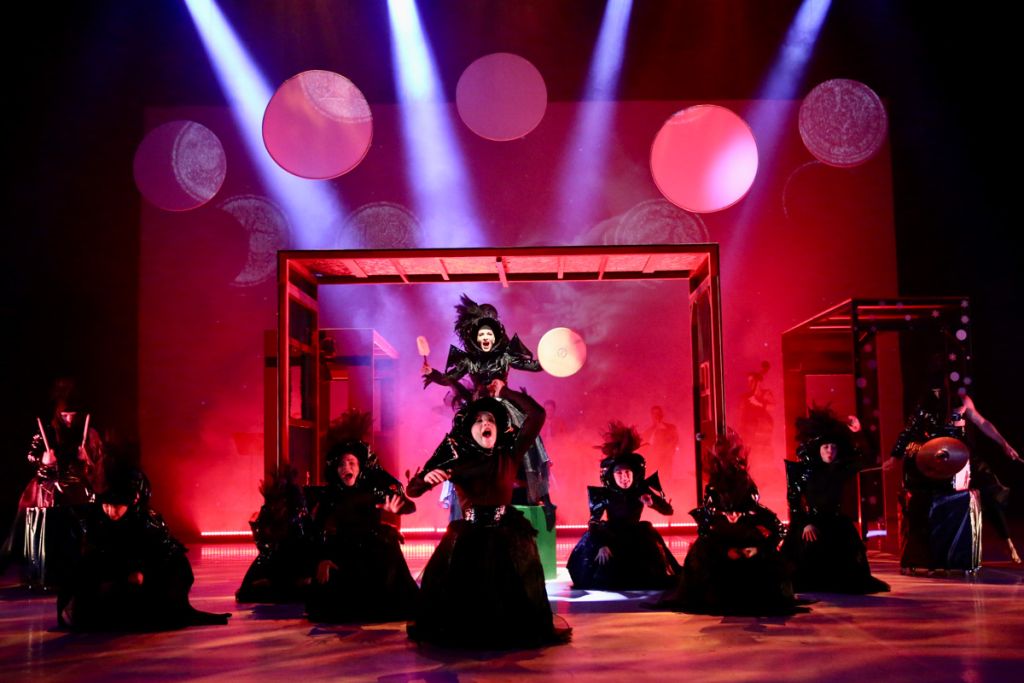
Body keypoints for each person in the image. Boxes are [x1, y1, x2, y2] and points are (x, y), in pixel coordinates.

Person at [406, 382, 570, 648]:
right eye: (479, 420)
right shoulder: (456, 459)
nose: (486, 423)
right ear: (470, 429)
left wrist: (504, 392)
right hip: (469, 537)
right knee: (470, 597)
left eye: (491, 419)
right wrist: (424, 479)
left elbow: (537, 415)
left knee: (508, 595)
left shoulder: (510, 454)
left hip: (506, 535)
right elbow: (413, 491)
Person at [422, 294, 557, 529]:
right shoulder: (468, 360)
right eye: (482, 334)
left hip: (504, 406)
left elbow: (534, 365)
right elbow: (449, 378)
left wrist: (553, 358)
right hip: (478, 408)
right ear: (475, 335)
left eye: (489, 333)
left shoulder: (505, 355)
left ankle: (542, 498)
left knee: (527, 444)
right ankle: (463, 498)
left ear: (496, 334)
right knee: (461, 447)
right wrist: (431, 373)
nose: (486, 338)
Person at [57, 447, 230, 631]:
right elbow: (90, 562)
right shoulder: (97, 521)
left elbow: (167, 565)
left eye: (116, 505)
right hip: (119, 579)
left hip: (155, 581)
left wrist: (140, 574)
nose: (109, 510)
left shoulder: (149, 524)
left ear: (134, 500)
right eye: (106, 504)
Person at [658, 431, 799, 616]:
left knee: (769, 565)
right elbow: (704, 534)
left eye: (738, 513)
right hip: (720, 548)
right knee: (700, 557)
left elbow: (779, 530)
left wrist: (759, 550)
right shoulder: (711, 508)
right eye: (727, 513)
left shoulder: (754, 508)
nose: (732, 517)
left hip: (750, 548)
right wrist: (723, 552)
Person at [893, 375, 1022, 566]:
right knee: (930, 498)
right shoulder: (926, 404)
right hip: (938, 455)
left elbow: (982, 423)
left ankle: (1007, 541)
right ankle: (929, 552)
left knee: (990, 489)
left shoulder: (963, 400)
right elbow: (910, 430)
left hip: (963, 453)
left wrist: (1004, 444)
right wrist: (895, 455)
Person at [304, 411, 418, 623]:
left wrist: (396, 509)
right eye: (341, 464)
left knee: (388, 551)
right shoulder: (331, 495)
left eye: (351, 463)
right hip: (344, 550)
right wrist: (322, 559)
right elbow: (315, 531)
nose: (346, 468)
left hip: (372, 548)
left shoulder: (372, 490)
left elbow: (410, 507)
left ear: (359, 467)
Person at [2, 378, 104, 588]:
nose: (69, 419)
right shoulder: (47, 431)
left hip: (78, 487)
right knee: (27, 515)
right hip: (48, 485)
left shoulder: (89, 433)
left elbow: (99, 462)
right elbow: (31, 455)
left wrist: (87, 458)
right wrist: (43, 459)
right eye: (65, 415)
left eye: (73, 415)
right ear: (59, 413)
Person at [782, 407, 889, 593]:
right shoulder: (803, 471)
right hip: (810, 523)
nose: (830, 451)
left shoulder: (840, 469)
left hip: (836, 523)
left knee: (847, 567)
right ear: (818, 449)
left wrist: (858, 433)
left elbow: (866, 458)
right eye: (826, 447)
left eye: (833, 447)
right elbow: (794, 500)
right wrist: (805, 523)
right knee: (806, 556)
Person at [567, 421, 681, 590]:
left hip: (637, 535)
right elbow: (594, 523)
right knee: (606, 572)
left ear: (634, 474)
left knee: (647, 572)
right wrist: (601, 545)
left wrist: (653, 503)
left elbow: (668, 511)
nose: (624, 477)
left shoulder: (641, 490)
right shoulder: (604, 494)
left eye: (627, 472)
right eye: (619, 473)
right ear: (612, 476)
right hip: (611, 535)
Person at [235, 467, 315, 603]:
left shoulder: (298, 516)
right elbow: (264, 547)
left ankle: (279, 585)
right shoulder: (267, 513)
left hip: (294, 561)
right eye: (274, 501)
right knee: (248, 592)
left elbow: (304, 546)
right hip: (273, 561)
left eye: (280, 501)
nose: (275, 506)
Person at [641, 406, 679, 485]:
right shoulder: (648, 431)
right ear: (651, 416)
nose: (656, 416)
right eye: (654, 414)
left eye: (658, 413)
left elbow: (674, 441)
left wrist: (668, 454)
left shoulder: (670, 428)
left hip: (665, 461)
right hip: (652, 462)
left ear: (662, 414)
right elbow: (644, 446)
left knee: (665, 482)